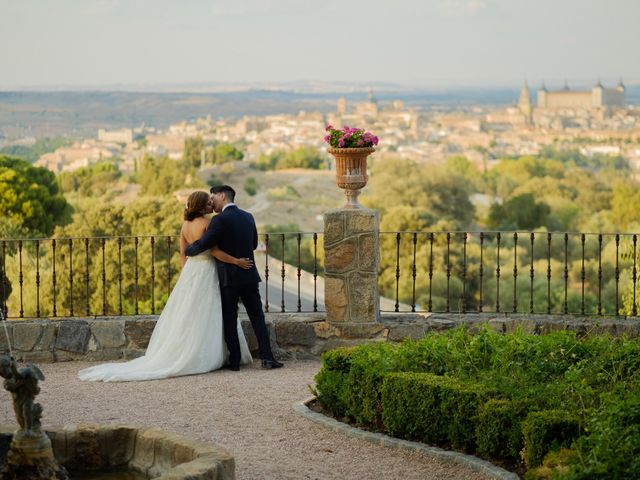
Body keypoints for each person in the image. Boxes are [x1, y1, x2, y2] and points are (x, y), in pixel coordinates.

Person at [78, 191, 253, 382]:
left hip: (192, 271)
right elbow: (215, 251)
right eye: (208, 203)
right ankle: (216, 353)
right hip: (208, 270)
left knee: (189, 313)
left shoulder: (184, 226)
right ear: (202, 206)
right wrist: (236, 261)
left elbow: (182, 254)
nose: (212, 205)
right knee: (212, 312)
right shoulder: (208, 223)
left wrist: (187, 276)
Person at [185, 185, 283, 370]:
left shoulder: (218, 220)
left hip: (229, 277)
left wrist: (188, 250)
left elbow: (205, 244)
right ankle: (267, 358)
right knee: (257, 317)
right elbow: (254, 244)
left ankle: (235, 361)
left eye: (213, 197)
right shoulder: (248, 216)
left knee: (229, 318)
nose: (211, 201)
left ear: (222, 196)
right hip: (249, 274)